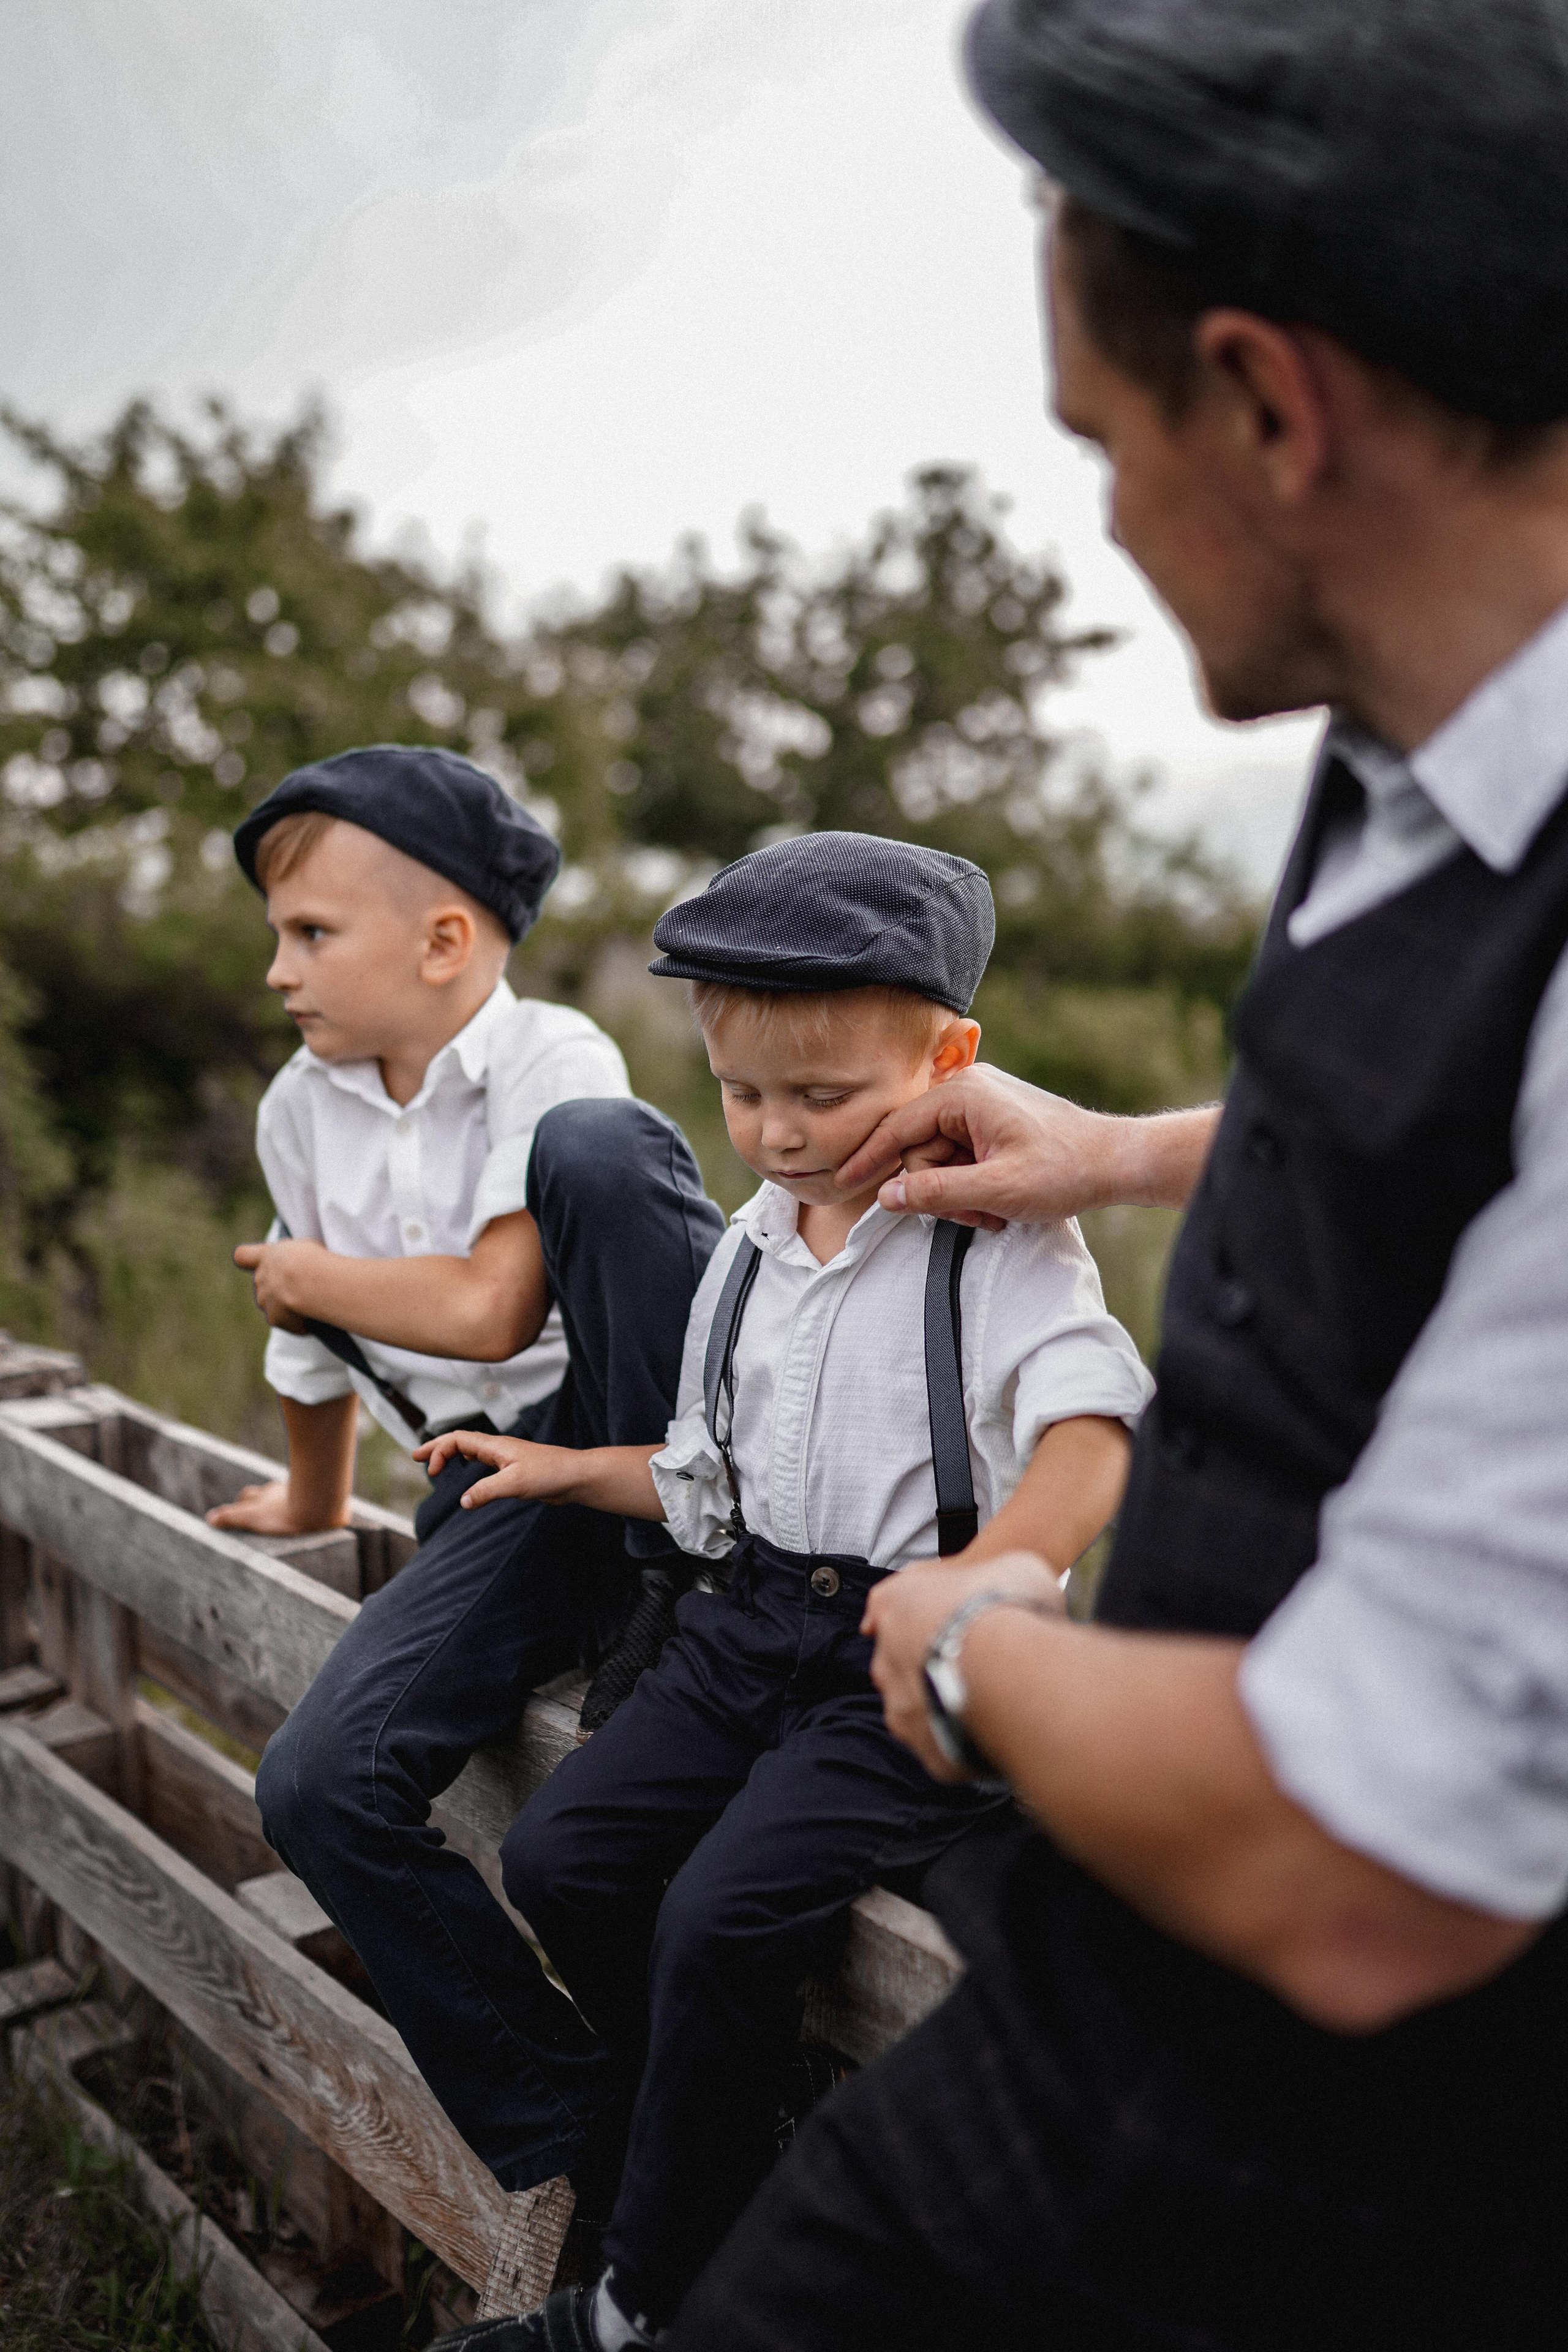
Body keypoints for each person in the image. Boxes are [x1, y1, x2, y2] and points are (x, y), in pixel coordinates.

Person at [650, 4, 1568, 2347]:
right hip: (1118, 2015)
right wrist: (1135, 1147)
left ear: (1270, 403)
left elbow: (1359, 1863)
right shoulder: (1415, 758)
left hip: (1342, 2142)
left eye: (1101, 436)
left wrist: (979, 1650)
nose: (1104, 514)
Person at [426, 829, 1154, 2350]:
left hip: (894, 1651)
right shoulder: (748, 1254)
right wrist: (570, 1468)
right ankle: (724, 2116)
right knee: (563, 1857)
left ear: (950, 1055)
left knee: (721, 1917)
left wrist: (994, 1573)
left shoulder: (994, 1231)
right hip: (745, 1621)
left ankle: (646, 2295)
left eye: (823, 1098)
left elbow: (1094, 1431)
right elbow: (709, 1478)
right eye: (742, 1095)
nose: (774, 1133)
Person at [238, 746, 729, 2275]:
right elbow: (306, 1360)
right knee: (318, 1786)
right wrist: (306, 1500)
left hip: (633, 1437)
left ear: (444, 940)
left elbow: (498, 1302)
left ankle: (689, 1575)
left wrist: (308, 1272)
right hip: (493, 1489)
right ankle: (582, 2118)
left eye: (311, 933)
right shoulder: (297, 1111)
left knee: (601, 1155)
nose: (277, 971)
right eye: (277, 934)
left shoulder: (551, 1059)